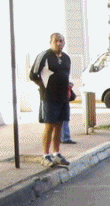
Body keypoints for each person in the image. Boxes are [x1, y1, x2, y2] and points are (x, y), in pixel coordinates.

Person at [29, 32, 71, 168]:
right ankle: (45, 155)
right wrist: (44, 87)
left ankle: (56, 153)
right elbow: (33, 75)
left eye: (61, 41)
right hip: (49, 97)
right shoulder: (44, 56)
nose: (59, 43)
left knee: (59, 124)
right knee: (49, 125)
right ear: (50, 42)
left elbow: (64, 75)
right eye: (56, 41)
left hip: (63, 97)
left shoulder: (66, 58)